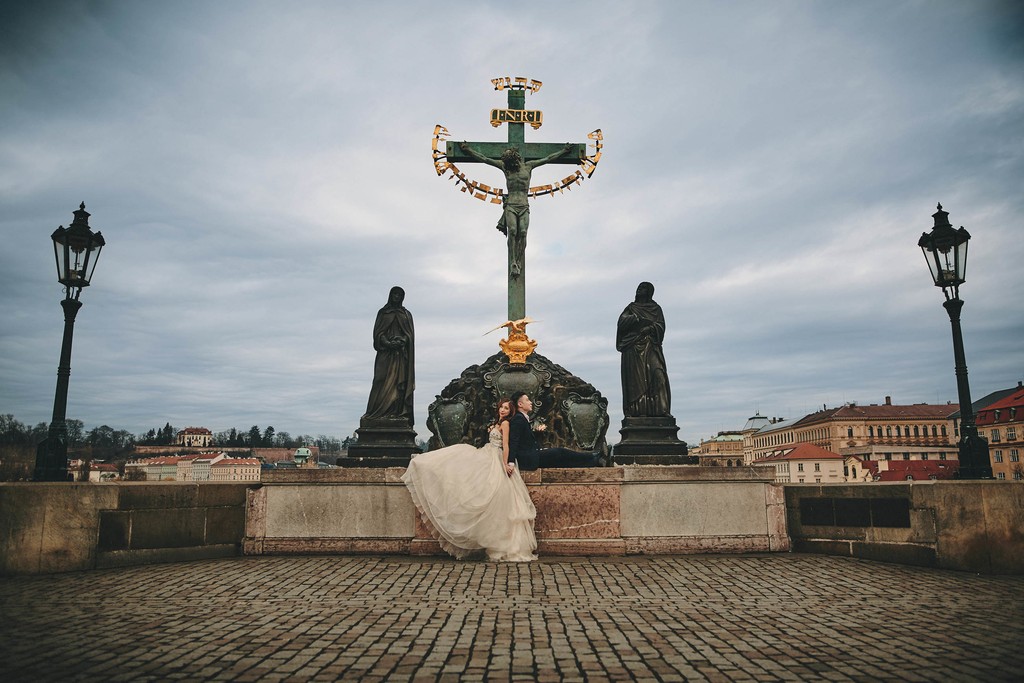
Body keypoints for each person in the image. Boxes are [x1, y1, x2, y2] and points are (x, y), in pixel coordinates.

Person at [402, 399, 537, 562]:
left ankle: (504, 544)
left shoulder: (506, 424)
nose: (502, 410)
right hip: (487, 453)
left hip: (496, 458)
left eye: (506, 408)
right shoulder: (497, 423)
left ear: (511, 411)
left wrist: (505, 464)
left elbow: (506, 446)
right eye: (501, 406)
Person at [458, 142, 575, 279]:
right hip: (511, 205)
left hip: (524, 205)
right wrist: (469, 150)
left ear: (517, 159)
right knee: (513, 231)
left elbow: (548, 158)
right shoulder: (506, 168)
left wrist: (564, 151)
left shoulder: (529, 167)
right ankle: (513, 261)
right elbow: (485, 159)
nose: (509, 166)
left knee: (523, 233)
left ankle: (518, 261)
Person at [507, 391, 607, 470]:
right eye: (527, 400)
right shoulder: (518, 419)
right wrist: (511, 462)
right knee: (560, 452)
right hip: (527, 459)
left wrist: (537, 434)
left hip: (530, 456)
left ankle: (595, 460)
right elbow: (513, 441)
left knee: (561, 459)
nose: (530, 402)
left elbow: (524, 440)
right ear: (520, 404)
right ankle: (593, 457)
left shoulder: (521, 418)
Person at [616, 281, 672, 417]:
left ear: (649, 292)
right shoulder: (631, 307)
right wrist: (635, 318)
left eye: (643, 288)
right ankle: (638, 412)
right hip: (633, 348)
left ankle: (662, 411)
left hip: (651, 346)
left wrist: (650, 328)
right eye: (639, 287)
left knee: (658, 375)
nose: (639, 290)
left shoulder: (656, 308)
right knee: (636, 382)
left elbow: (661, 326)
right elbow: (621, 323)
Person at [363, 286, 415, 421]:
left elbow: (410, 335)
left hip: (400, 356)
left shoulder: (406, 315)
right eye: (394, 294)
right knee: (379, 380)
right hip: (385, 354)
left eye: (399, 295)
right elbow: (377, 333)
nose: (396, 297)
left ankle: (396, 413)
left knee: (399, 385)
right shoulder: (383, 313)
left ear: (402, 297)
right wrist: (386, 342)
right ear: (390, 295)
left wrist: (403, 340)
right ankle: (373, 413)